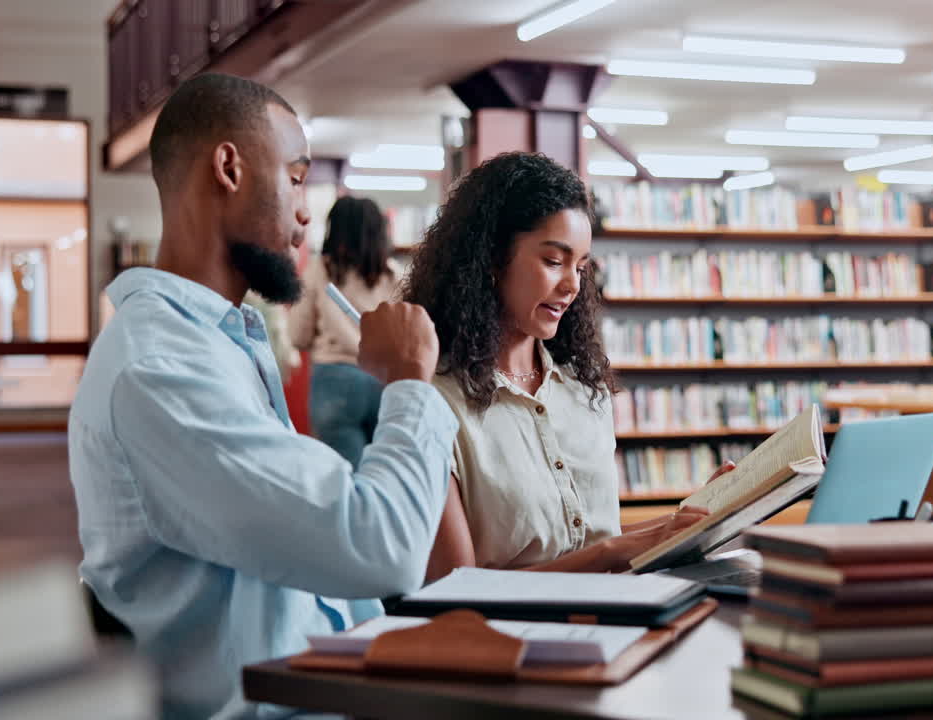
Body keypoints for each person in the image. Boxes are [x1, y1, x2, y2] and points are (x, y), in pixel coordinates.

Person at [68, 73, 458, 719]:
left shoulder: (221, 341)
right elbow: (381, 548)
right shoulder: (161, 370)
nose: (307, 212)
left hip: (328, 678)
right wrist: (411, 379)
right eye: (297, 177)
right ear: (229, 167)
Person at [401, 152, 730, 582]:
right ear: (491, 261)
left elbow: (594, 541)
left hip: (612, 624)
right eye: (554, 261)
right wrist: (612, 552)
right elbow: (455, 588)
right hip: (508, 642)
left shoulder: (583, 390)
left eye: (581, 266)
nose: (573, 285)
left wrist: (685, 524)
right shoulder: (433, 401)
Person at [289, 195, 400, 465]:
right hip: (384, 382)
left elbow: (297, 334)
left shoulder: (319, 270)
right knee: (384, 475)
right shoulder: (394, 274)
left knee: (343, 482)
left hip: (334, 381)